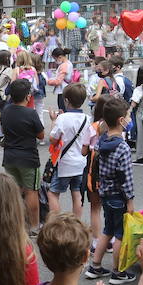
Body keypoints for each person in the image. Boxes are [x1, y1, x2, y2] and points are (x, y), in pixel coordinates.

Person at [84, 98, 136, 284]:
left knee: (107, 230)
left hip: (105, 192)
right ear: (121, 120)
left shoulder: (102, 141)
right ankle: (118, 272)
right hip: (118, 196)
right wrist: (129, 200)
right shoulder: (122, 147)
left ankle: (95, 266)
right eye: (128, 116)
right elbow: (126, 177)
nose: (130, 119)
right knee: (120, 234)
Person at [0, 77, 46, 234]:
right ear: (28, 96)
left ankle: (15, 223)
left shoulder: (5, 111)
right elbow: (41, 135)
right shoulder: (31, 113)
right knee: (31, 191)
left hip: (10, 157)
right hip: (28, 158)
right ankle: (33, 226)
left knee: (15, 191)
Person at [48, 85, 93, 215]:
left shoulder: (62, 119)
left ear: (66, 100)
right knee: (77, 193)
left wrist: (54, 121)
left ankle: (57, 223)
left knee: (53, 193)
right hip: (80, 162)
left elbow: (53, 138)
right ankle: (76, 224)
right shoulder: (87, 118)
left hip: (65, 163)